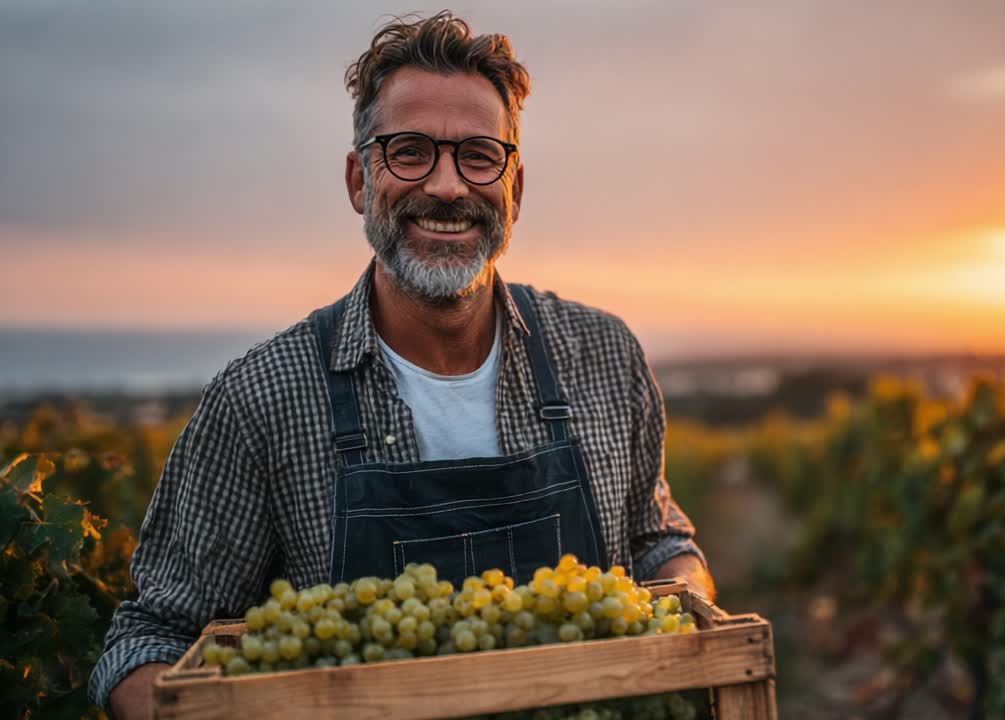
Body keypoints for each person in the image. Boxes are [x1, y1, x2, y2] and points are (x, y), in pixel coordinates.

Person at [91, 11, 712, 718]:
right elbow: (151, 640)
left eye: (479, 155)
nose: (448, 186)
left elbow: (655, 539)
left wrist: (685, 594)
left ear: (514, 189)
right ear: (360, 180)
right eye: (410, 151)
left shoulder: (604, 357)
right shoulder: (261, 399)